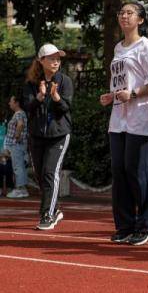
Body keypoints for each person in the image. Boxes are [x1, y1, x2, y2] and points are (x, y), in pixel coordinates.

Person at [100, 2, 148, 246]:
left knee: (138, 172)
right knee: (120, 173)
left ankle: (146, 224)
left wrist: (135, 94)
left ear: (140, 19)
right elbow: (120, 83)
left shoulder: (147, 48)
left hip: (141, 118)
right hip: (118, 119)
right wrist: (111, 96)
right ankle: (125, 225)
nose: (124, 16)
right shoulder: (118, 48)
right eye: (121, 12)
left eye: (130, 13)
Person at [23, 43, 73, 230]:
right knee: (40, 175)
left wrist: (56, 97)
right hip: (36, 135)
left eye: (58, 59)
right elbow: (27, 108)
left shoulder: (65, 81)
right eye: (51, 58)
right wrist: (40, 97)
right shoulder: (31, 84)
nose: (56, 62)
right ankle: (55, 209)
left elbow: (67, 108)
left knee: (50, 173)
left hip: (59, 134)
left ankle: (48, 214)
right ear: (41, 61)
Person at [4, 95, 29, 198]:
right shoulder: (19, 113)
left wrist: (17, 137)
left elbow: (20, 124)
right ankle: (21, 188)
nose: (9, 103)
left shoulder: (18, 113)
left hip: (17, 145)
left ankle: (21, 190)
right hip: (16, 145)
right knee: (18, 166)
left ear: (16, 103)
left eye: (11, 101)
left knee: (18, 167)